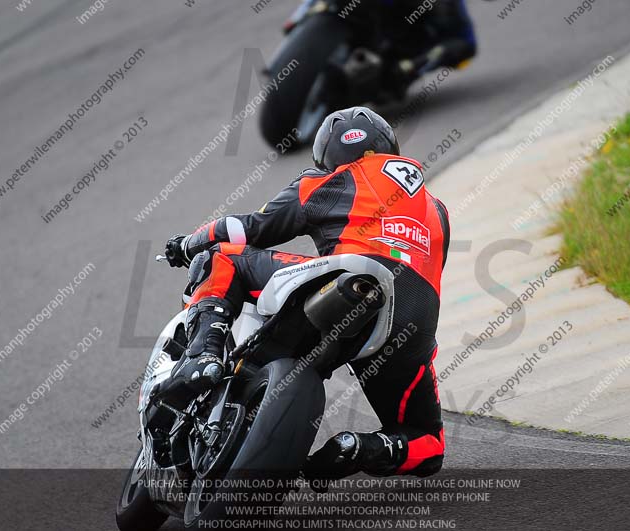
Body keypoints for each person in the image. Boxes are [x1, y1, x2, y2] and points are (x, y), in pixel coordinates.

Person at [157, 106, 450, 478]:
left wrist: (187, 245)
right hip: (414, 313)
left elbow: (246, 228)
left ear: (328, 158)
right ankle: (360, 449)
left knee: (224, 256)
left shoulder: (329, 180)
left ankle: (204, 355)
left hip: (350, 274)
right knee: (428, 444)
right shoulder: (437, 209)